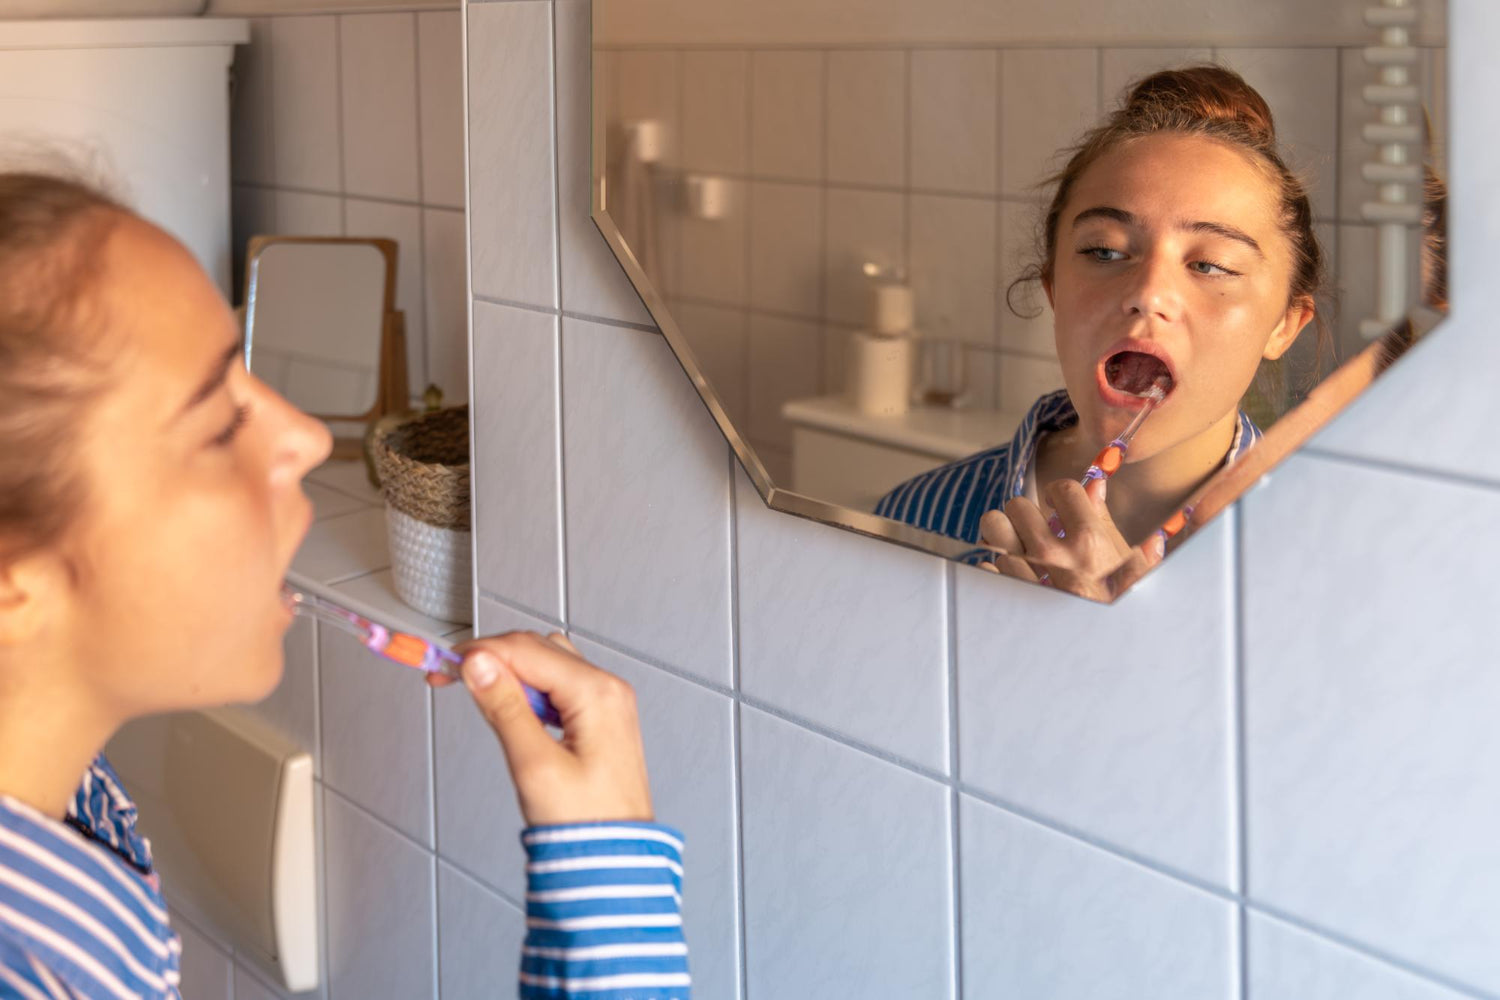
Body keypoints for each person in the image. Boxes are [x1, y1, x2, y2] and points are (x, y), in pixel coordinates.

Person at [0, 171, 689, 998]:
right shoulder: (41, 971)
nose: (305, 438)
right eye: (220, 424)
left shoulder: (70, 811)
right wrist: (610, 887)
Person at [875, 66, 1326, 600]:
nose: (1149, 293)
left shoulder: (1330, 563)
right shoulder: (908, 521)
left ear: (1284, 325)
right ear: (1054, 291)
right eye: (1104, 251)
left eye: (1209, 265)